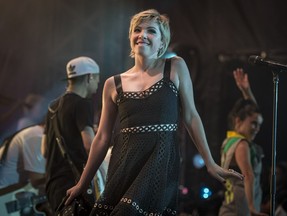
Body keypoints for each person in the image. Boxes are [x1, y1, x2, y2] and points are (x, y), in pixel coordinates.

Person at [65, 9, 243, 215]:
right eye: (137, 30)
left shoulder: (175, 67)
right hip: (124, 165)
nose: (142, 34)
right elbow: (102, 138)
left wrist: (210, 163)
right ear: (131, 38)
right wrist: (82, 183)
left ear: (162, 41)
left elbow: (191, 116)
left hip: (160, 162)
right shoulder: (112, 84)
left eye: (151, 31)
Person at [41, 56, 100, 213]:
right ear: (89, 77)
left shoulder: (52, 107)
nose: (98, 84)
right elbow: (90, 146)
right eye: (97, 79)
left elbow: (44, 150)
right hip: (73, 184)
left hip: (52, 185)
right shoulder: (82, 104)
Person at [218, 68, 267, 216]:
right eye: (253, 124)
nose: (257, 128)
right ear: (238, 121)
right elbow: (248, 175)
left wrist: (246, 91)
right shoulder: (241, 144)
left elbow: (252, 113)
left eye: (259, 125)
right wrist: (251, 207)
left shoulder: (230, 141)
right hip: (239, 210)